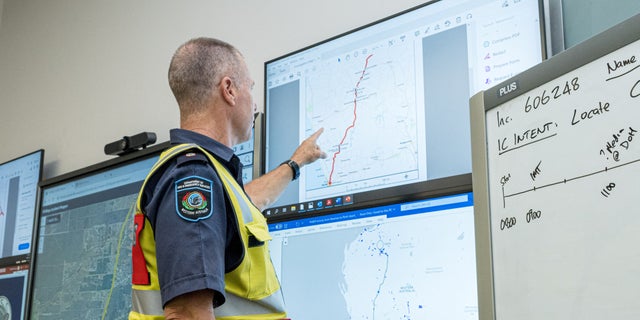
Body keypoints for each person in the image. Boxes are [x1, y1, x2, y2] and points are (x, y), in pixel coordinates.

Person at [129, 37, 327, 320]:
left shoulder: (204, 172)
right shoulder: (193, 177)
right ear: (229, 90)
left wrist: (295, 163)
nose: (255, 103)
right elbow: (187, 313)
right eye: (251, 88)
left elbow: (245, 207)